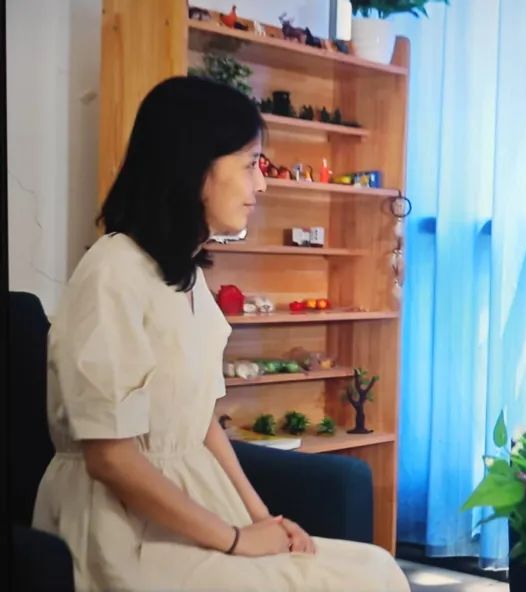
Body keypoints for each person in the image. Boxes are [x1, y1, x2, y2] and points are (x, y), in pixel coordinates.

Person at [32, 76, 411, 591]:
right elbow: (110, 458)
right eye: (251, 163)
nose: (263, 185)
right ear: (195, 166)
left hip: (200, 518)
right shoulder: (112, 273)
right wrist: (234, 539)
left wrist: (265, 520)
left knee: (375, 568)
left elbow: (202, 422)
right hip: (123, 531)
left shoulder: (185, 277)